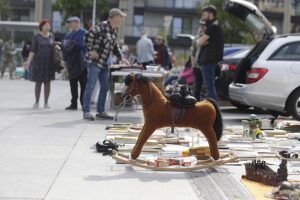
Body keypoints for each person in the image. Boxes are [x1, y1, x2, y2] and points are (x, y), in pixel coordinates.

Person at [83, 8, 130, 121]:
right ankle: (86, 111)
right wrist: (91, 50)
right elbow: (88, 35)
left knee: (105, 87)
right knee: (91, 86)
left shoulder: (114, 30)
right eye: (120, 17)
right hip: (94, 62)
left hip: (104, 64)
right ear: (114, 17)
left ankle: (101, 111)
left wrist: (122, 58)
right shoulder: (103, 26)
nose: (122, 20)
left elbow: (115, 47)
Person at [23, 19, 55, 109]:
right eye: (46, 25)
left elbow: (53, 49)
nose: (48, 26)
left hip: (49, 63)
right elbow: (32, 50)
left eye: (49, 25)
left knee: (48, 83)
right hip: (38, 62)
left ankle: (46, 102)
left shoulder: (52, 36)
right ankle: (36, 102)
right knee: (38, 83)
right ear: (41, 27)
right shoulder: (37, 37)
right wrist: (28, 61)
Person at [197, 5, 224, 100]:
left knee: (209, 87)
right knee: (209, 86)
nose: (203, 17)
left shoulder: (212, 27)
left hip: (208, 60)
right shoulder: (214, 27)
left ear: (210, 14)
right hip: (209, 60)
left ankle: (214, 111)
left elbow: (199, 42)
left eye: (204, 14)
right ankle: (213, 110)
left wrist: (201, 40)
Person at [63, 16, 87, 110]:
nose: (69, 24)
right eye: (69, 23)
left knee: (83, 85)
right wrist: (72, 43)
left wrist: (70, 43)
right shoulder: (68, 34)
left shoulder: (83, 32)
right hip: (71, 63)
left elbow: (80, 44)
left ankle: (83, 103)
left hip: (82, 64)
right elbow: (64, 46)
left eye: (71, 22)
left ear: (77, 23)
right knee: (73, 85)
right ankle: (73, 104)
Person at [192, 21, 206, 101]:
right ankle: (196, 103)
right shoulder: (196, 38)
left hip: (205, 65)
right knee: (197, 86)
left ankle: (205, 104)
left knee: (206, 86)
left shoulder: (209, 36)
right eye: (201, 26)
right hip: (197, 65)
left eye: (204, 26)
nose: (202, 27)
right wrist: (193, 65)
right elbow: (193, 53)